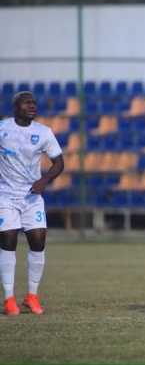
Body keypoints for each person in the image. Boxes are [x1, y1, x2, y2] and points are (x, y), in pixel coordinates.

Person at [0, 91, 64, 316]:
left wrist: (44, 180)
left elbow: (59, 162)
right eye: (27, 103)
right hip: (5, 195)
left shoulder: (43, 132)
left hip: (31, 197)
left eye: (34, 103)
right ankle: (9, 299)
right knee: (8, 240)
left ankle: (31, 296)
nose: (32, 106)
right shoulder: (3, 128)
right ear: (16, 106)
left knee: (38, 241)